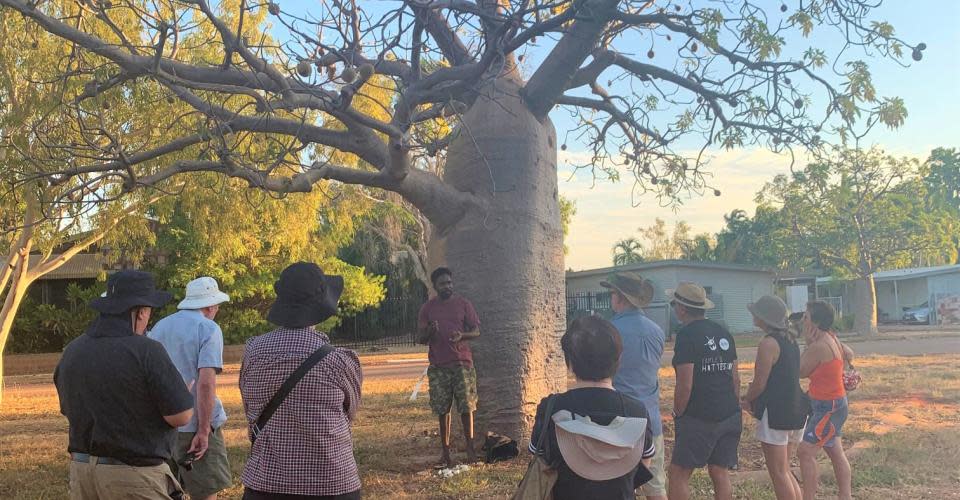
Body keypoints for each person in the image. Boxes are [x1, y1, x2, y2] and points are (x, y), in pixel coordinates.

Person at [54, 270, 194, 499]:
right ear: (139, 312)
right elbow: (180, 416)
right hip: (133, 476)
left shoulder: (73, 350)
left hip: (82, 473)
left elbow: (68, 408)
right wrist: (182, 396)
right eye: (149, 311)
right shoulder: (147, 350)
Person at [239, 262, 363, 500]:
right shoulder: (339, 361)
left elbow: (249, 409)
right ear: (320, 305)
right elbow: (349, 414)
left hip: (266, 483)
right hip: (330, 483)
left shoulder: (253, 353)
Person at [529, 315, 656, 500]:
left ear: (569, 362)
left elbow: (538, 460)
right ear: (618, 359)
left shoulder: (551, 408)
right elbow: (642, 466)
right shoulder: (637, 412)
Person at [149, 276, 233, 500]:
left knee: (164, 492)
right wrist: (204, 430)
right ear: (210, 305)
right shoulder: (209, 329)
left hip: (163, 425)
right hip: (194, 424)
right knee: (204, 493)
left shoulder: (159, 327)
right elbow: (206, 382)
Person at [667, 282, 741, 500]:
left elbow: (685, 384)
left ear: (681, 308)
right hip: (729, 413)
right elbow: (735, 379)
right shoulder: (723, 332)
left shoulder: (686, 336)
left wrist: (678, 412)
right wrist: (733, 407)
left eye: (674, 304)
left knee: (678, 473)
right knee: (719, 471)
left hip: (700, 416)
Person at [602, 272, 667, 500]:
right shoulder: (657, 331)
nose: (610, 299)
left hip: (618, 420)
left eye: (612, 294)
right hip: (651, 418)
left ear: (620, 298)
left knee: (618, 486)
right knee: (656, 486)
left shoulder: (609, 332)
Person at [740, 296, 808, 500]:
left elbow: (760, 383)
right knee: (785, 470)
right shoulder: (790, 339)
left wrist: (746, 399)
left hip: (777, 413)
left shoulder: (768, 344)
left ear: (763, 318)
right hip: (797, 408)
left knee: (778, 473)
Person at [417, 266, 481, 467]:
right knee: (442, 409)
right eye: (443, 283)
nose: (448, 286)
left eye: (450, 283)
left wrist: (463, 336)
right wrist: (429, 330)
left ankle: (470, 449)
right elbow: (421, 338)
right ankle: (445, 453)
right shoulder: (427, 308)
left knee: (466, 407)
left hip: (462, 363)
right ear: (435, 286)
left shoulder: (463, 304)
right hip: (438, 366)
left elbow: (476, 331)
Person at [797, 301, 854, 500]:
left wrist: (807, 344)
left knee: (805, 452)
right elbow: (849, 353)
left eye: (806, 317)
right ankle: (845, 496)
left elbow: (801, 371)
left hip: (827, 407)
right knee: (835, 452)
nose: (803, 320)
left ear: (816, 322)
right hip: (833, 404)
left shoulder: (819, 346)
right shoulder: (831, 337)